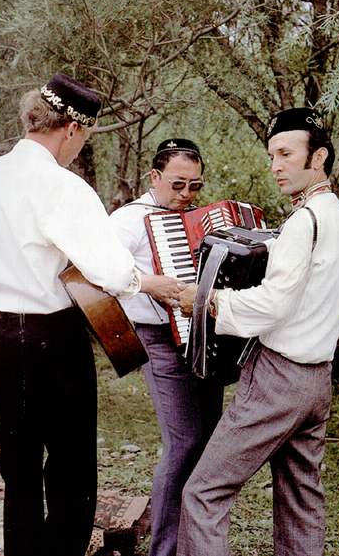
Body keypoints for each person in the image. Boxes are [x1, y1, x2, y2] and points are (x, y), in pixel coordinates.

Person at [0, 73, 181, 556]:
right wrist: (154, 285)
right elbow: (110, 270)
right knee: (71, 468)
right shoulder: (62, 186)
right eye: (84, 138)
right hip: (51, 338)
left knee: (19, 467)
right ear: (72, 128)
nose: (79, 149)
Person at [176, 107, 339, 556]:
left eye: (286, 154)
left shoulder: (303, 223)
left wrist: (207, 300)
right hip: (318, 381)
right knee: (301, 501)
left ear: (319, 157)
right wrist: (323, 312)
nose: (275, 166)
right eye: (272, 155)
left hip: (277, 380)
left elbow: (271, 305)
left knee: (204, 492)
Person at [109, 139, 224, 556]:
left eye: (195, 186)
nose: (187, 195)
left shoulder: (196, 217)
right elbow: (95, 273)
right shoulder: (128, 220)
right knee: (184, 440)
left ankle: (195, 542)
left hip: (201, 336)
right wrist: (146, 285)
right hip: (157, 339)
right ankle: (165, 549)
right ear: (154, 177)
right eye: (178, 184)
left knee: (208, 437)